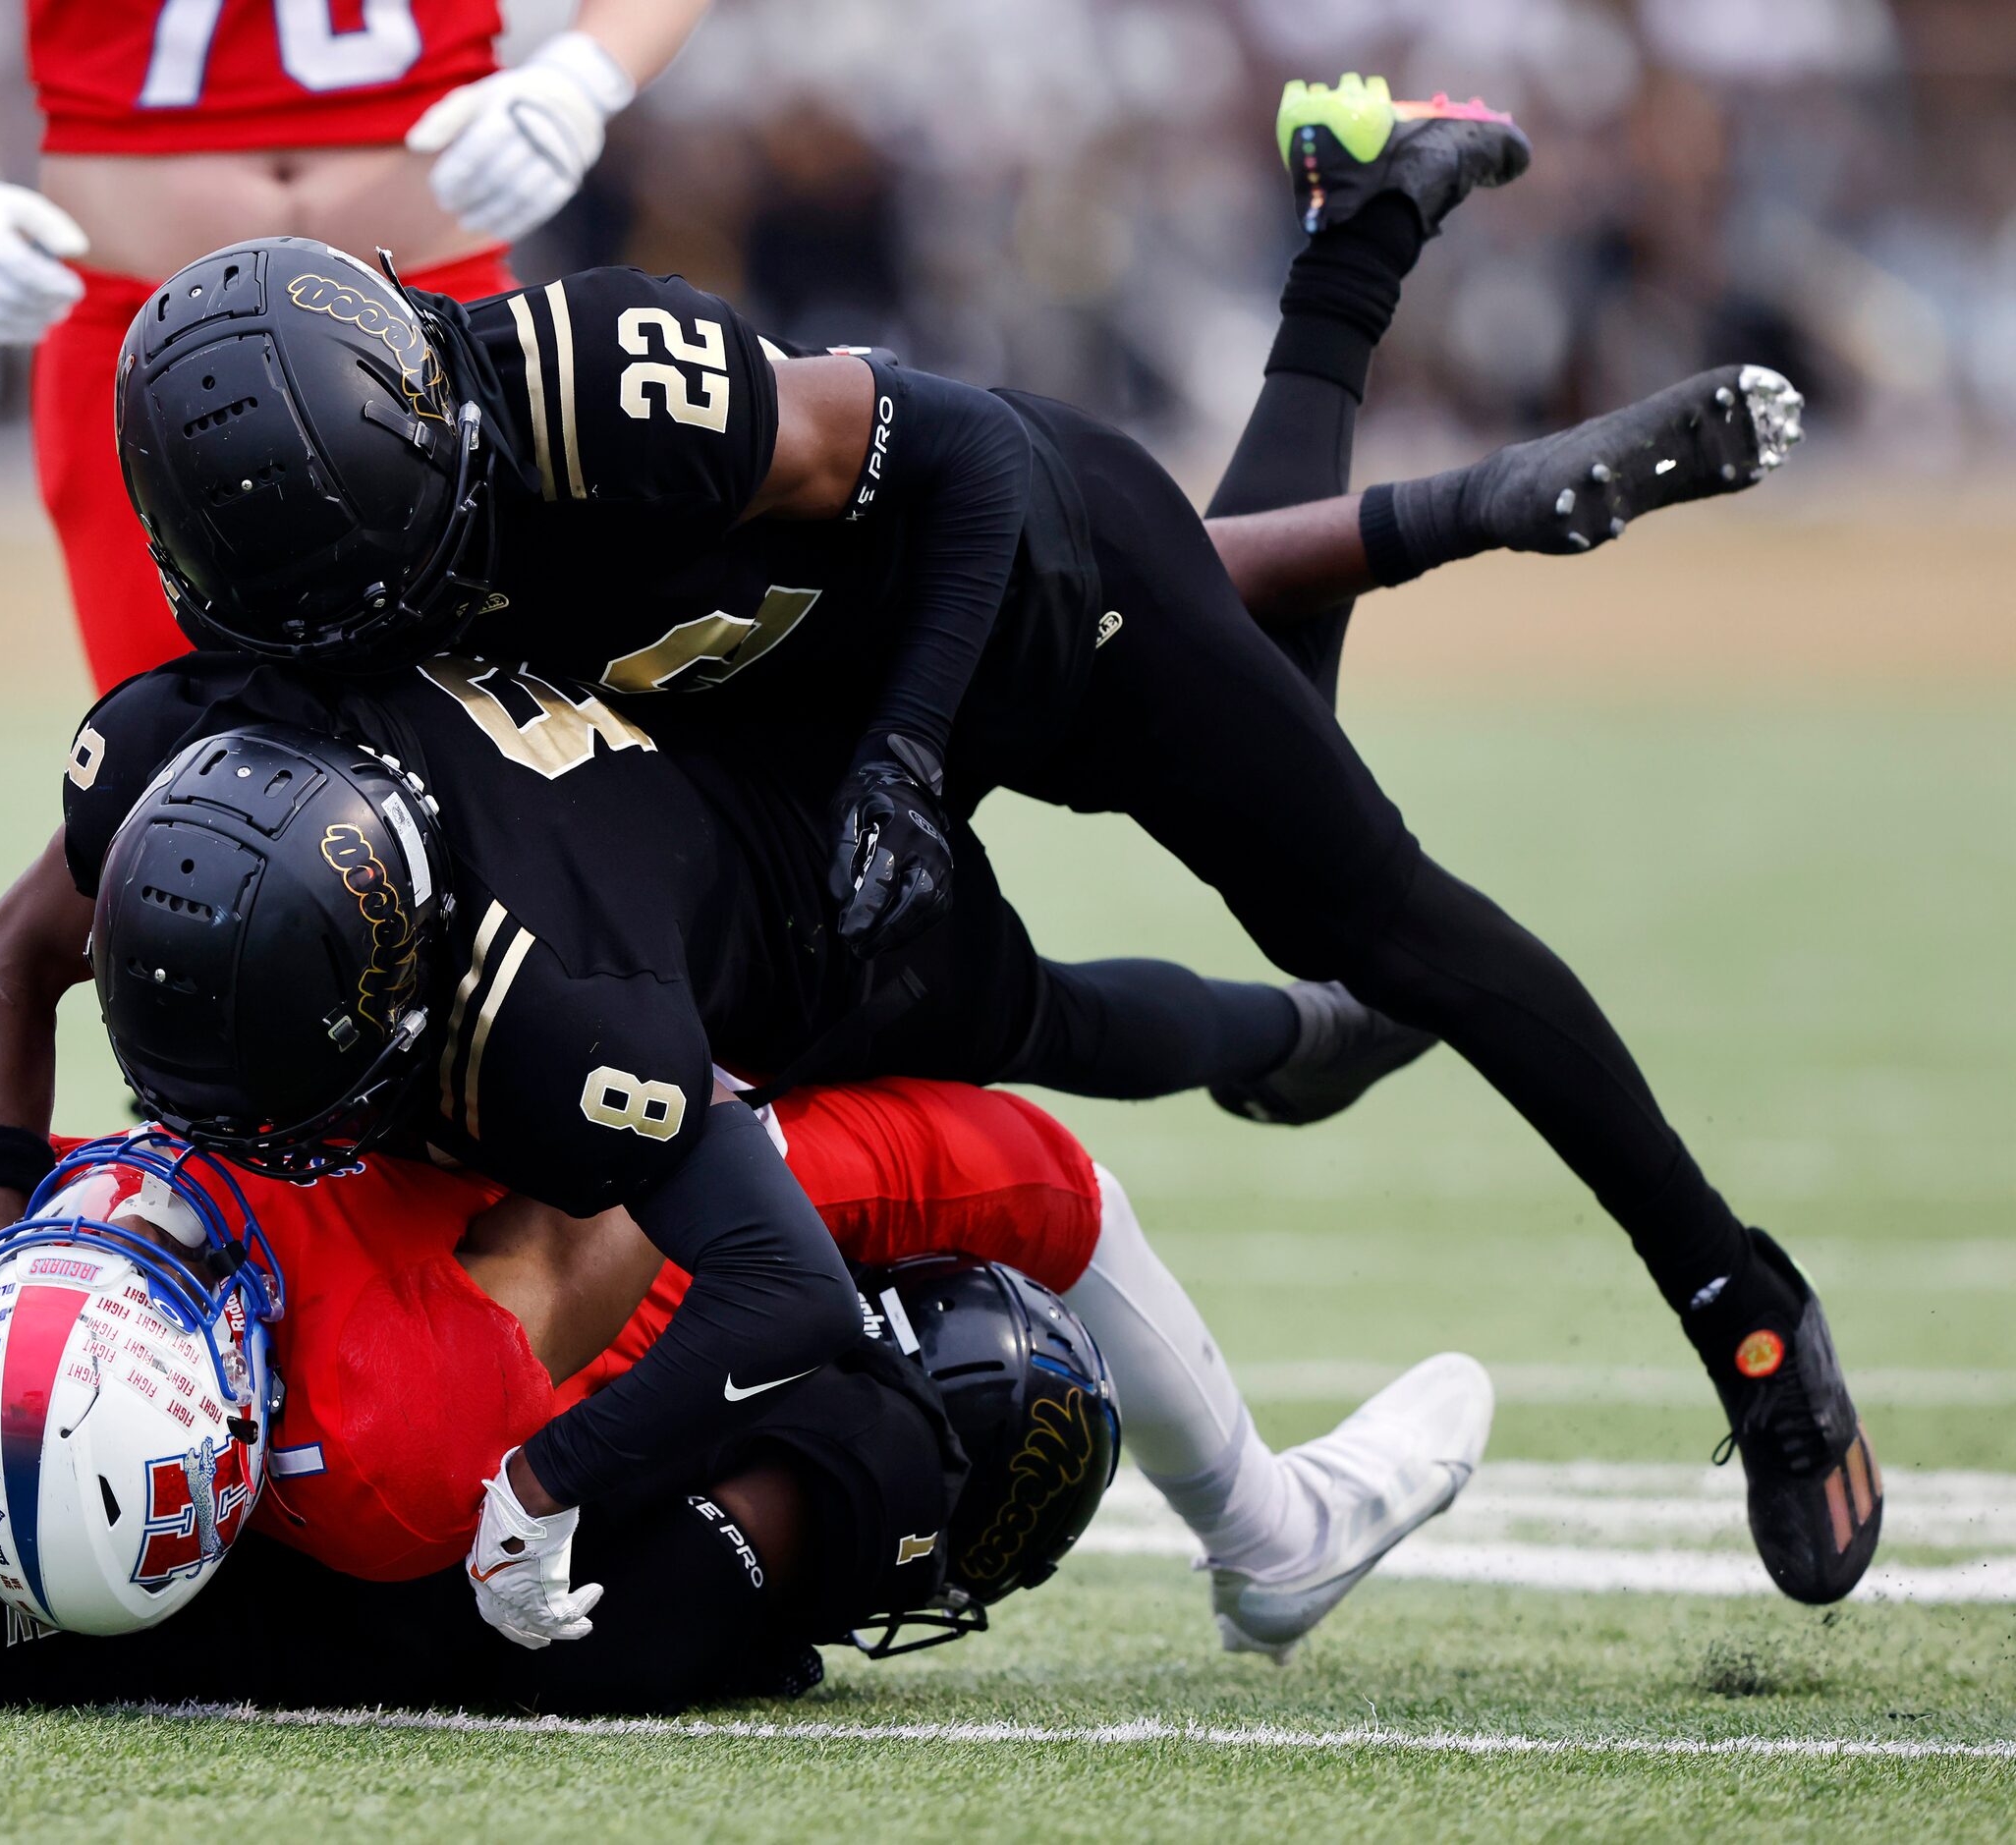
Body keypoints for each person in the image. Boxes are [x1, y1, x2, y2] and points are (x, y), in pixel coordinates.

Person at [99, 76, 1875, 1604]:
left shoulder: (601, 387)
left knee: (1371, 916)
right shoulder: (303, 557)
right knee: (926, 997)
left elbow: (971, 462)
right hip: (749, 716)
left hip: (1007, 595)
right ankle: (1381, 341)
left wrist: (903, 757)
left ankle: (1744, 1301)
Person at [0, 1093, 1481, 1702]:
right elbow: (508, 1602)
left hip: (180, 1270)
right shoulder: (784, 1514)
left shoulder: (744, 1172)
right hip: (195, 1513)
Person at [0, 1076, 1489, 1654]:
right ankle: (1269, 1535)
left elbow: (25, 942)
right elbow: (1049, 1182)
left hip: (309, 1291)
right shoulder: (430, 1434)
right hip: (428, 1439)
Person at [0, 0, 710, 685]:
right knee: (172, 755)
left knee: (487, 727)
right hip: (140, 327)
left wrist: (580, 79)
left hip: (433, 311)